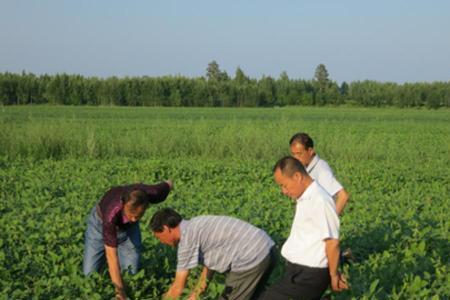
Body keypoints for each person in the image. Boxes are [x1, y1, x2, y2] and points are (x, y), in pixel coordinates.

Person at [259, 156, 348, 300]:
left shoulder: (320, 200)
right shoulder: (306, 197)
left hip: (309, 275)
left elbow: (332, 242)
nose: (283, 191)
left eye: (284, 185)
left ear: (297, 176)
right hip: (297, 272)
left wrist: (333, 275)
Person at [149, 208, 277, 300]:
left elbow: (178, 287)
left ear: (166, 229)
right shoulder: (196, 224)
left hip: (251, 258)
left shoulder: (187, 241)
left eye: (160, 237)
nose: (162, 242)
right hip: (268, 249)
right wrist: (196, 293)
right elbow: (210, 263)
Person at [83, 180, 172, 300]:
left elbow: (168, 184)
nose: (135, 219)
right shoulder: (111, 213)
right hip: (99, 227)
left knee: (132, 273)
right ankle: (107, 272)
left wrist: (169, 184)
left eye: (139, 215)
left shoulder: (153, 192)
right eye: (131, 214)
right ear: (123, 205)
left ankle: (124, 285)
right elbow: (111, 256)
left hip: (128, 230)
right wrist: (120, 292)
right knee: (89, 275)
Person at [289, 133, 349, 215]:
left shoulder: (321, 170)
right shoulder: (306, 168)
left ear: (310, 151)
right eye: (293, 154)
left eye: (299, 154)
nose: (296, 158)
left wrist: (331, 221)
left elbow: (343, 196)